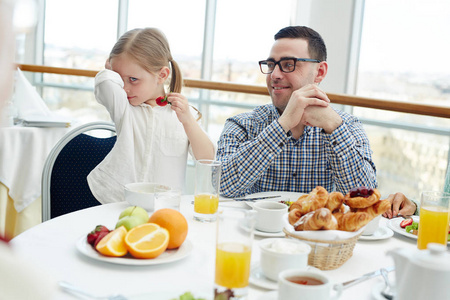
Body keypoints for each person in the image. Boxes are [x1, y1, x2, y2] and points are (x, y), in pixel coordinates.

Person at [217, 26, 377, 197]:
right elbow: (222, 186)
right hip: (256, 224)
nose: (274, 75)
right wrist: (282, 124)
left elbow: (364, 198)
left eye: (288, 65)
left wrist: (334, 127)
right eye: (271, 65)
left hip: (316, 224)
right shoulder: (242, 125)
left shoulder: (348, 126)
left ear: (319, 72)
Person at [87, 28, 215, 203]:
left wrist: (188, 121)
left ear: (162, 75)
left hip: (166, 207)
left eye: (133, 79)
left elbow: (208, 159)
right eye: (119, 78)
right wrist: (109, 69)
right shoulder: (124, 107)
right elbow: (103, 83)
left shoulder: (182, 115)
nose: (124, 88)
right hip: (123, 203)